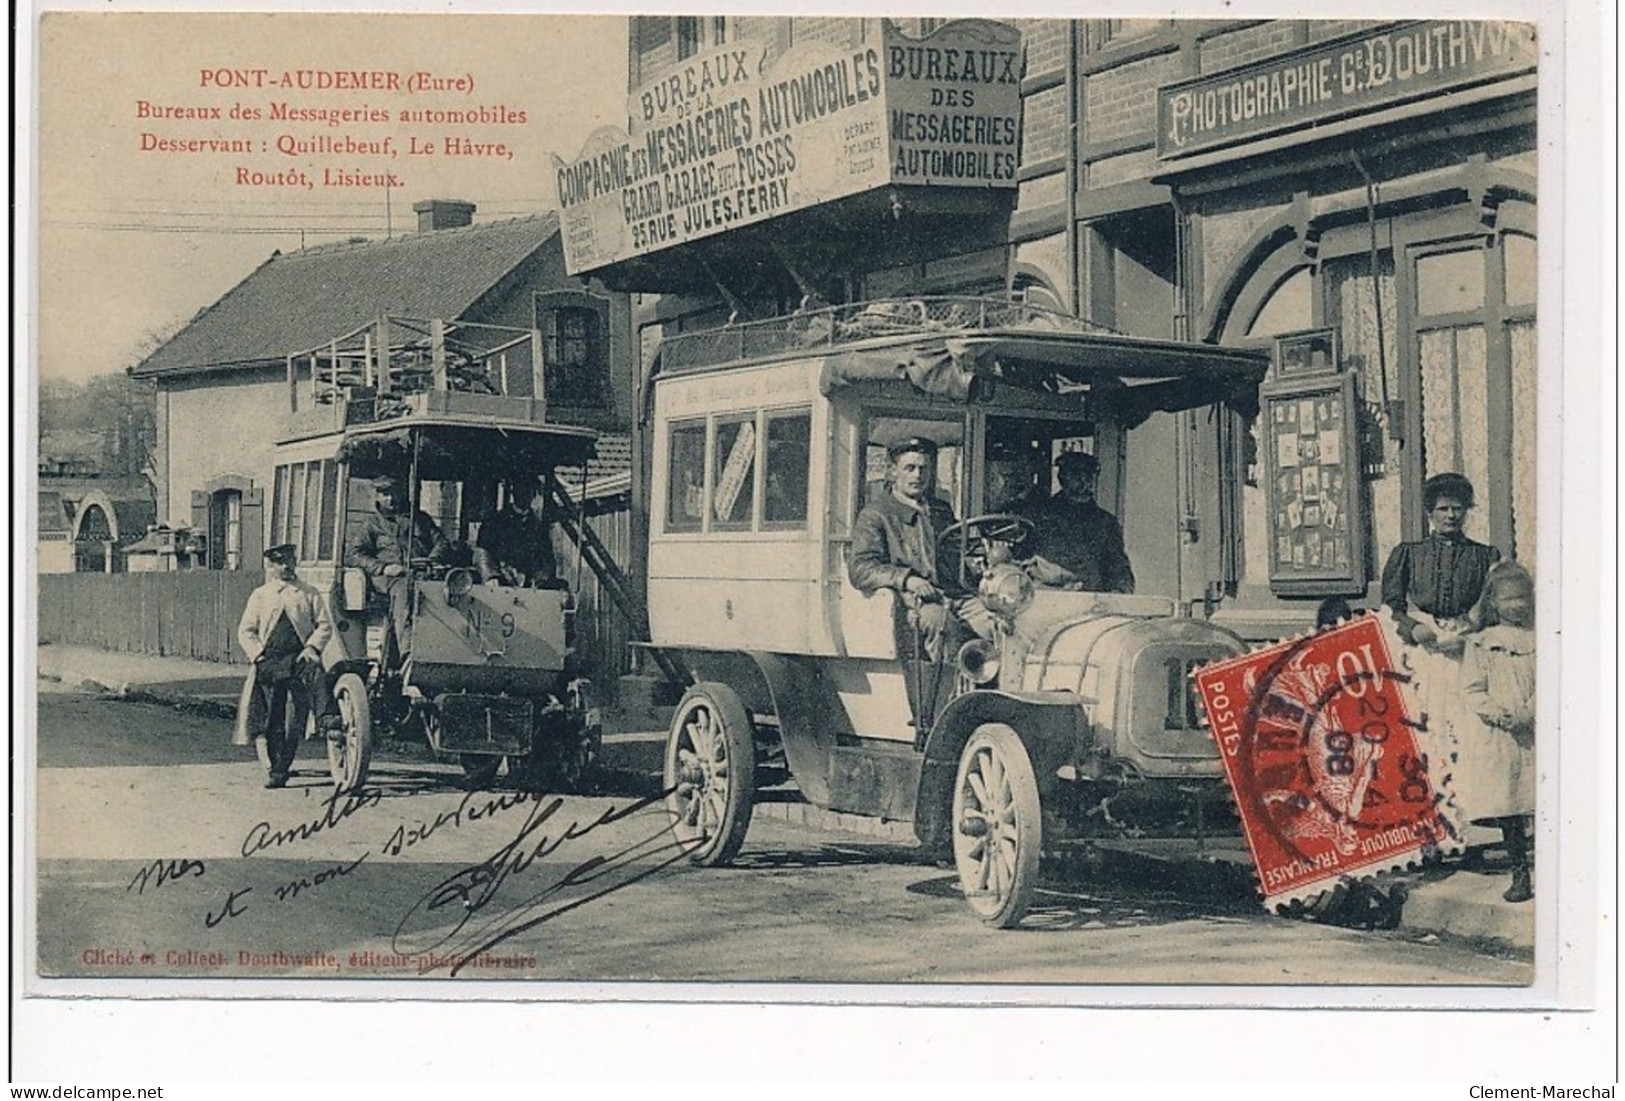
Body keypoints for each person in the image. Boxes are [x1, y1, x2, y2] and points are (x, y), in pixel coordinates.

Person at [1380, 472, 1502, 821]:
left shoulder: (1484, 556)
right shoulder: (1409, 555)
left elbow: (1493, 604)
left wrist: (1471, 630)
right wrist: (1413, 627)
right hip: (1422, 653)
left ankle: (1462, 820)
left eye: (1459, 509)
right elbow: (1391, 605)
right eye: (1444, 508)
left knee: (1463, 732)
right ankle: (1424, 820)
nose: (1451, 516)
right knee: (1423, 730)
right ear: (1429, 513)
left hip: (1465, 650)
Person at [1459, 562, 1537, 903]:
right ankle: (1519, 871)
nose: (1517, 605)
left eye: (1523, 598)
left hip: (1535, 731)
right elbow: (1472, 689)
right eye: (1509, 599)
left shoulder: (1541, 639)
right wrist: (1499, 714)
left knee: (1539, 797)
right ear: (1494, 603)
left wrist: (1528, 712)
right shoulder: (1481, 644)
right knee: (1510, 804)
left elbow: (1554, 677)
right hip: (1501, 735)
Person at [848, 437, 961, 661]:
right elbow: (860, 568)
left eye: (923, 469)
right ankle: (943, 694)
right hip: (913, 601)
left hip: (954, 595)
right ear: (892, 472)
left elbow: (958, 552)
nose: (917, 476)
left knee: (997, 622)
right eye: (910, 468)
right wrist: (907, 580)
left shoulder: (941, 510)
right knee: (942, 625)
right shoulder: (876, 514)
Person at [236, 544, 334, 789]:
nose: (286, 566)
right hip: (271, 661)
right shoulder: (261, 594)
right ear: (271, 566)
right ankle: (277, 770)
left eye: (290, 561)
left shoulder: (309, 593)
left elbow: (324, 625)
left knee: (315, 679)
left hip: (299, 657)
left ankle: (328, 718)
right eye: (280, 562)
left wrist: (312, 648)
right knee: (274, 717)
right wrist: (258, 655)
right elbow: (246, 630)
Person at [347, 473, 451, 659]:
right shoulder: (371, 524)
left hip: (422, 574)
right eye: (385, 494)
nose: (391, 499)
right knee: (404, 590)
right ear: (377, 496)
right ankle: (409, 653)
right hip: (389, 579)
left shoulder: (420, 519)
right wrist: (383, 568)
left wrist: (432, 560)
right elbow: (355, 554)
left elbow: (442, 543)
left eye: (394, 493)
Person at [1021, 451, 1135, 593]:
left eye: (1088, 475)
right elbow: (1019, 560)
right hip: (1043, 598)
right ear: (1061, 477)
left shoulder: (1105, 523)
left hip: (1087, 603)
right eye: (1075, 474)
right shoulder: (1037, 517)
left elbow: (1118, 567)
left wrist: (1120, 591)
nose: (1082, 481)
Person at [475, 478, 557, 588]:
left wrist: (542, 579)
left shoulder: (539, 527)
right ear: (514, 492)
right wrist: (491, 576)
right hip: (499, 583)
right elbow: (482, 552)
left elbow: (547, 558)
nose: (525, 494)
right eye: (521, 489)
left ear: (533, 494)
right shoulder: (494, 522)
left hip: (530, 587)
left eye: (530, 490)